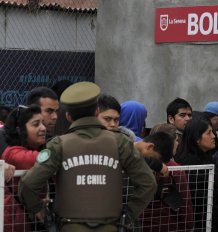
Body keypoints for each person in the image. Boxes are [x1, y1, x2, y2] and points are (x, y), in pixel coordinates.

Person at [18, 81, 157, 231]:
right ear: (97, 111)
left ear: (68, 116)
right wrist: (128, 216)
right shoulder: (120, 142)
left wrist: (44, 214)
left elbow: (28, 184)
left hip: (69, 226)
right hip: (110, 226)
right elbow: (148, 183)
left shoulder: (58, 145)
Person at [175, 118, 218, 232]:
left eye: (212, 132)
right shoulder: (188, 163)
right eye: (208, 133)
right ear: (197, 139)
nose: (213, 136)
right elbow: (193, 195)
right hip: (198, 223)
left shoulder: (207, 157)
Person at [2, 104, 47, 232]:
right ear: (18, 129)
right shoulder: (12, 153)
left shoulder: (38, 149)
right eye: (36, 124)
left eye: (43, 123)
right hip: (14, 225)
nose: (43, 128)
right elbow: (39, 160)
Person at [141, 128, 194, 232]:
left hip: (137, 224)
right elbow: (185, 202)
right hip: (166, 224)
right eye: (175, 140)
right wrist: (189, 225)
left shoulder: (130, 163)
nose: (177, 143)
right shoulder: (174, 169)